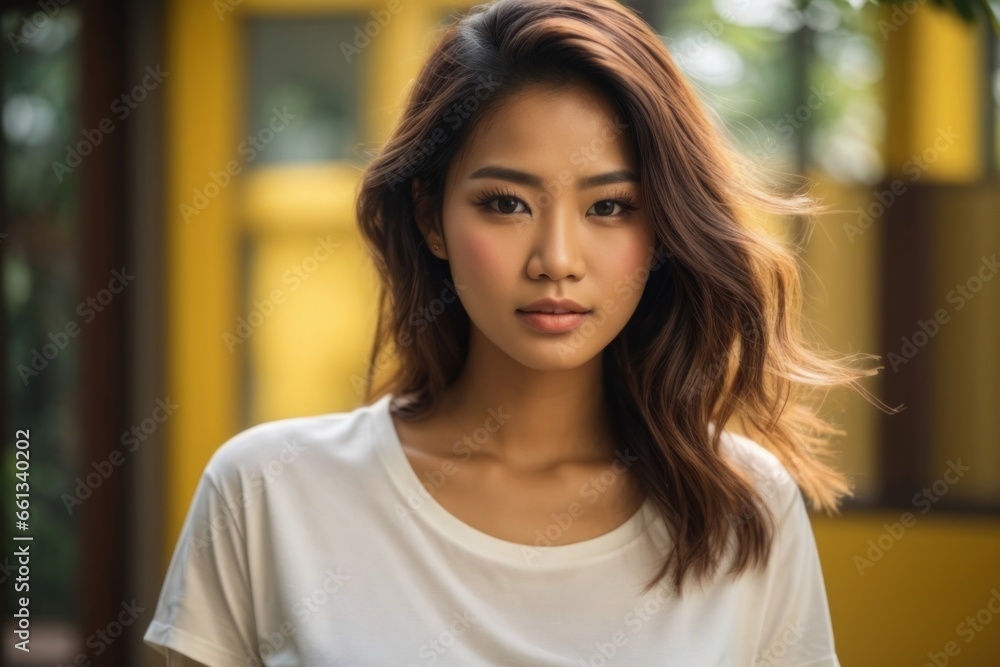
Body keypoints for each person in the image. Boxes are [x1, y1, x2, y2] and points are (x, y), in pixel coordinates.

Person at [144, 0, 896, 664]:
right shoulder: (269, 491)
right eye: (506, 203)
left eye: (610, 207)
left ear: (664, 229)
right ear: (431, 216)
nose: (557, 261)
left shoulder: (743, 508)